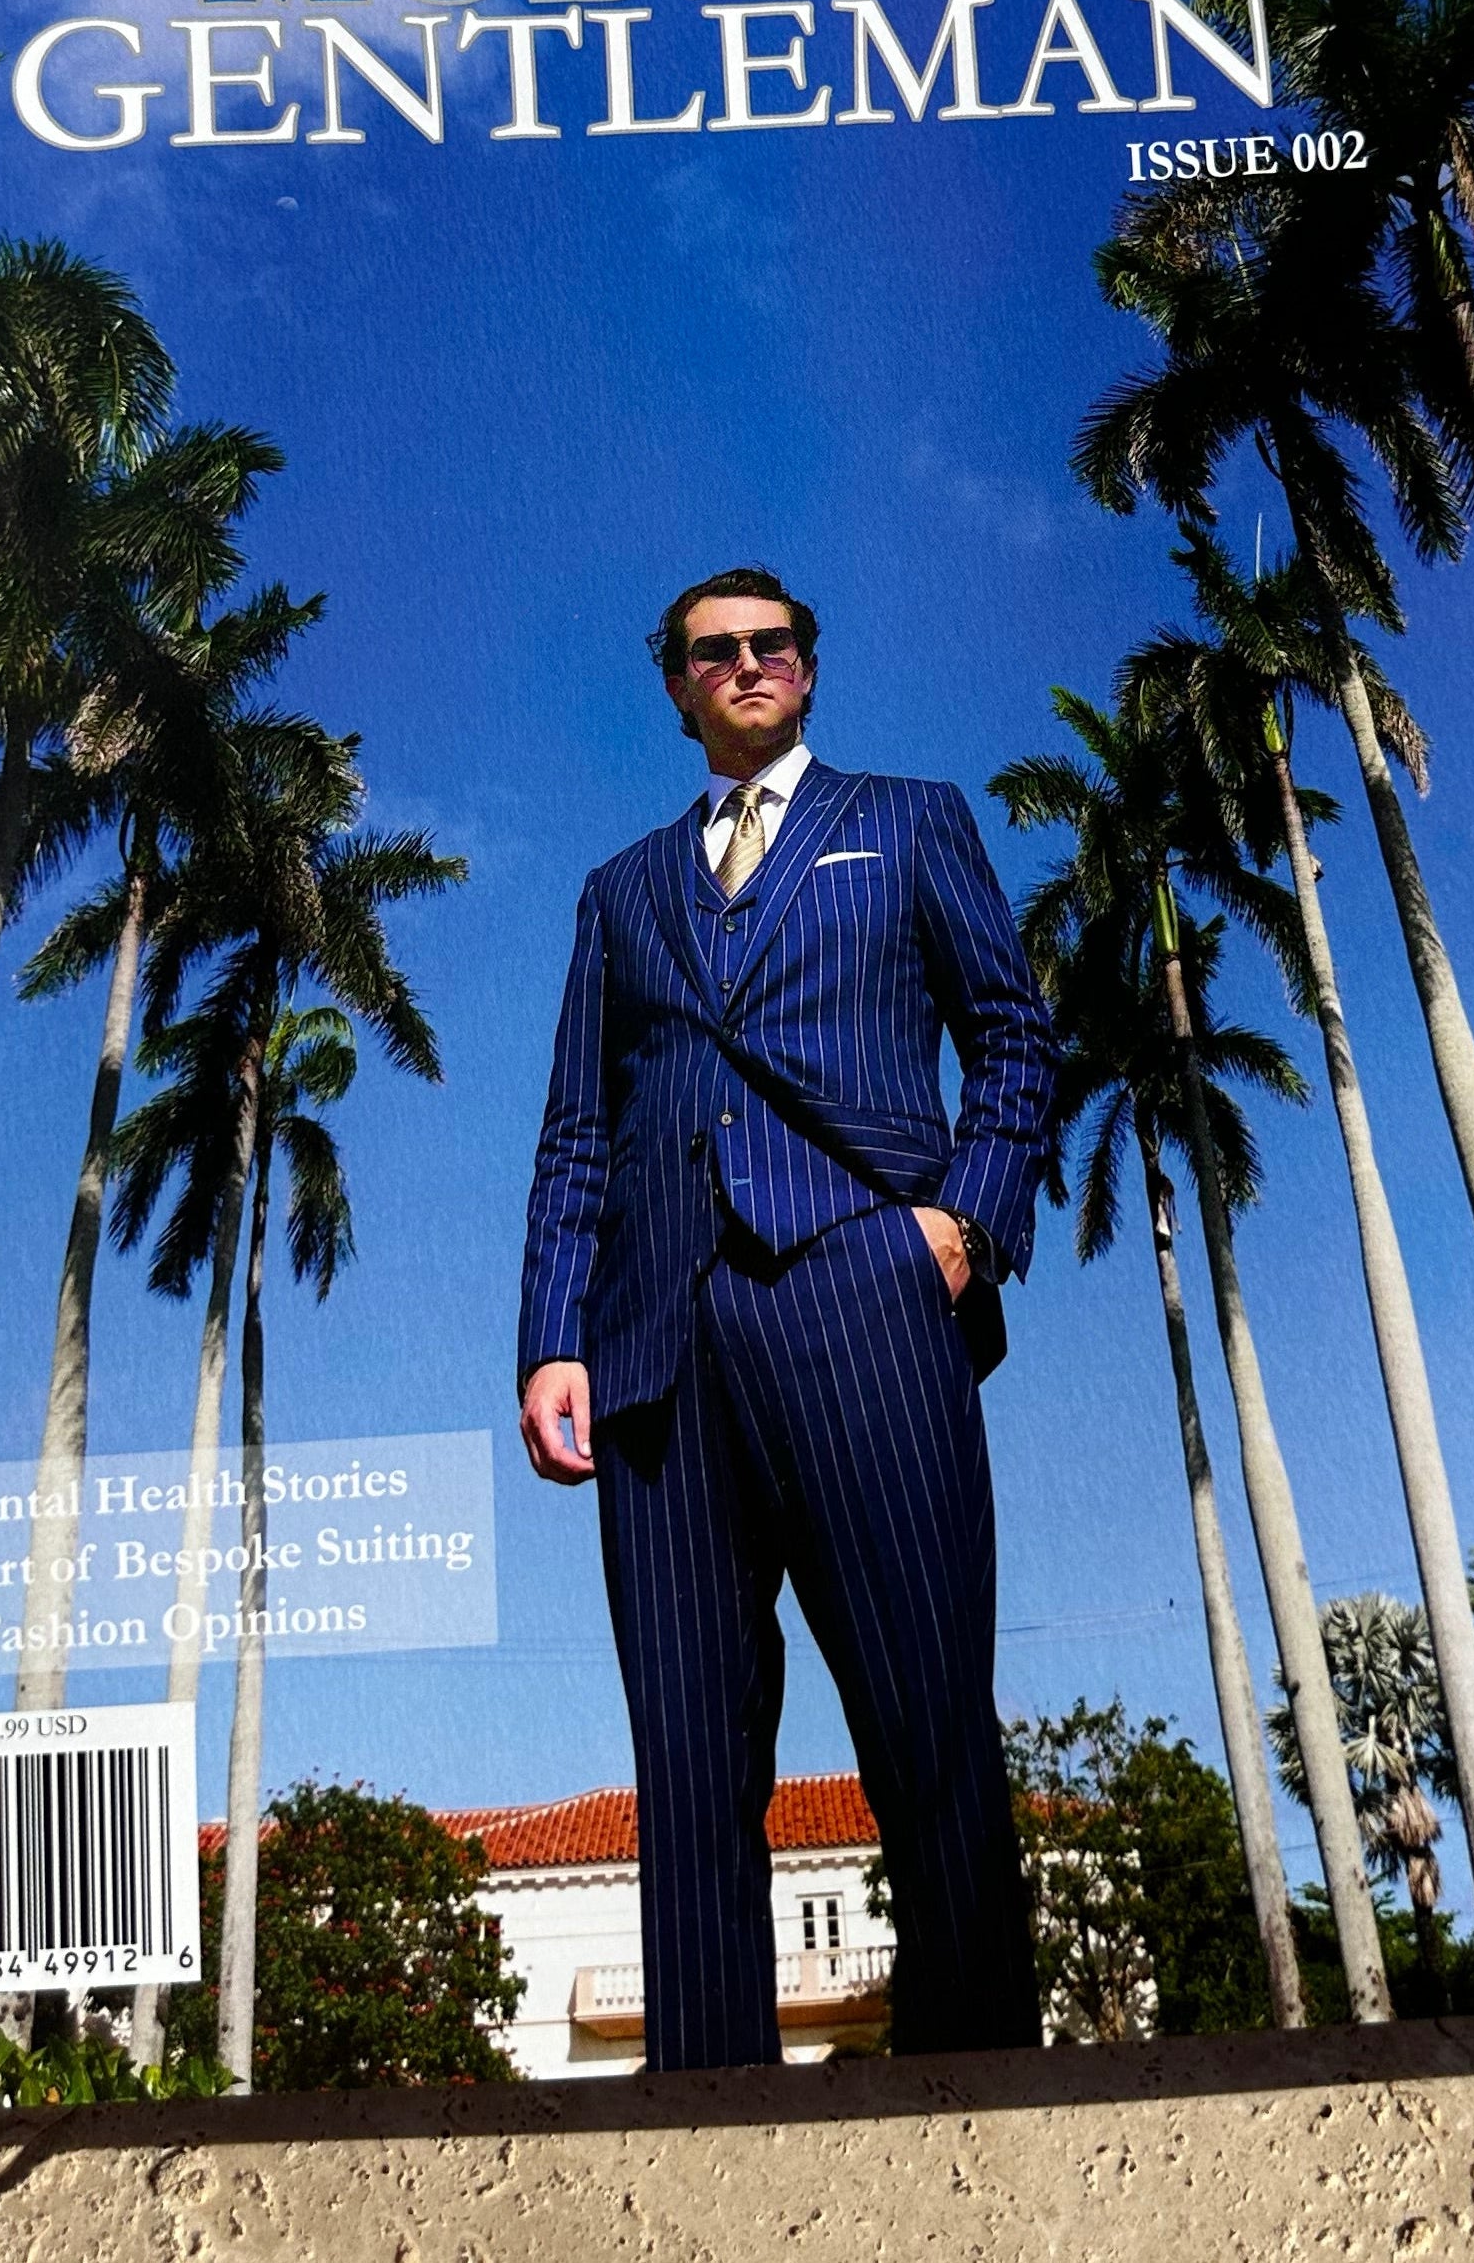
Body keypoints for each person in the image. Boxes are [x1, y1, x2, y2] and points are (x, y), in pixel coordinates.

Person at [517, 566, 1053, 2069]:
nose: (745, 665)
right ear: (676, 688)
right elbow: (578, 1127)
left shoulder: (907, 818)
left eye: (770, 644)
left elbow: (1012, 1034)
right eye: (712, 651)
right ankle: (707, 2123)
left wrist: (957, 1225)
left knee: (926, 1722)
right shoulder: (620, 891)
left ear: (806, 671)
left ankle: (984, 2087)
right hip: (658, 1343)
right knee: (688, 1761)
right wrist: (553, 1333)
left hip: (865, 1298)